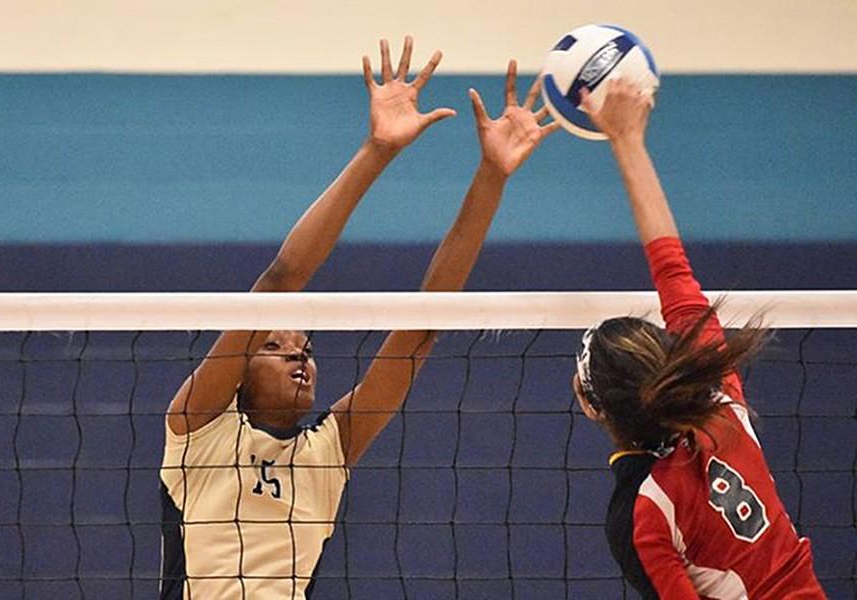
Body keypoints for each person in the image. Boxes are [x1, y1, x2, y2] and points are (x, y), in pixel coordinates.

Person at [159, 36, 559, 600]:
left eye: (306, 348)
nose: (301, 355)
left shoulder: (329, 450)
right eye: (276, 347)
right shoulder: (198, 430)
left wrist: (492, 174)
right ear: (240, 371)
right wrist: (378, 150)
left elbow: (421, 328)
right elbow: (280, 281)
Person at [571, 78, 826, 599]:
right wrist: (628, 141)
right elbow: (673, 268)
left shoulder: (644, 515)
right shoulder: (720, 404)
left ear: (592, 406)